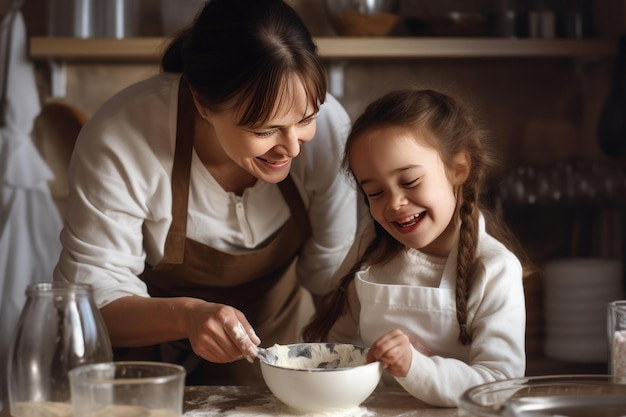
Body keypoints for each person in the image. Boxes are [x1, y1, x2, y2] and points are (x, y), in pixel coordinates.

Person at [53, 0, 357, 386]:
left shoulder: (330, 132)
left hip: (269, 355)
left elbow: (333, 280)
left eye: (306, 120)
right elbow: (90, 298)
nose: (293, 148)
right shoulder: (121, 137)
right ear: (202, 103)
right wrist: (188, 316)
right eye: (265, 130)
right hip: (143, 364)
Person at [303, 89, 533, 407]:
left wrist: (416, 367)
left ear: (459, 169)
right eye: (375, 192)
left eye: (410, 181)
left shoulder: (495, 269)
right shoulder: (368, 251)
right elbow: (338, 345)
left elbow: (498, 385)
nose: (395, 203)